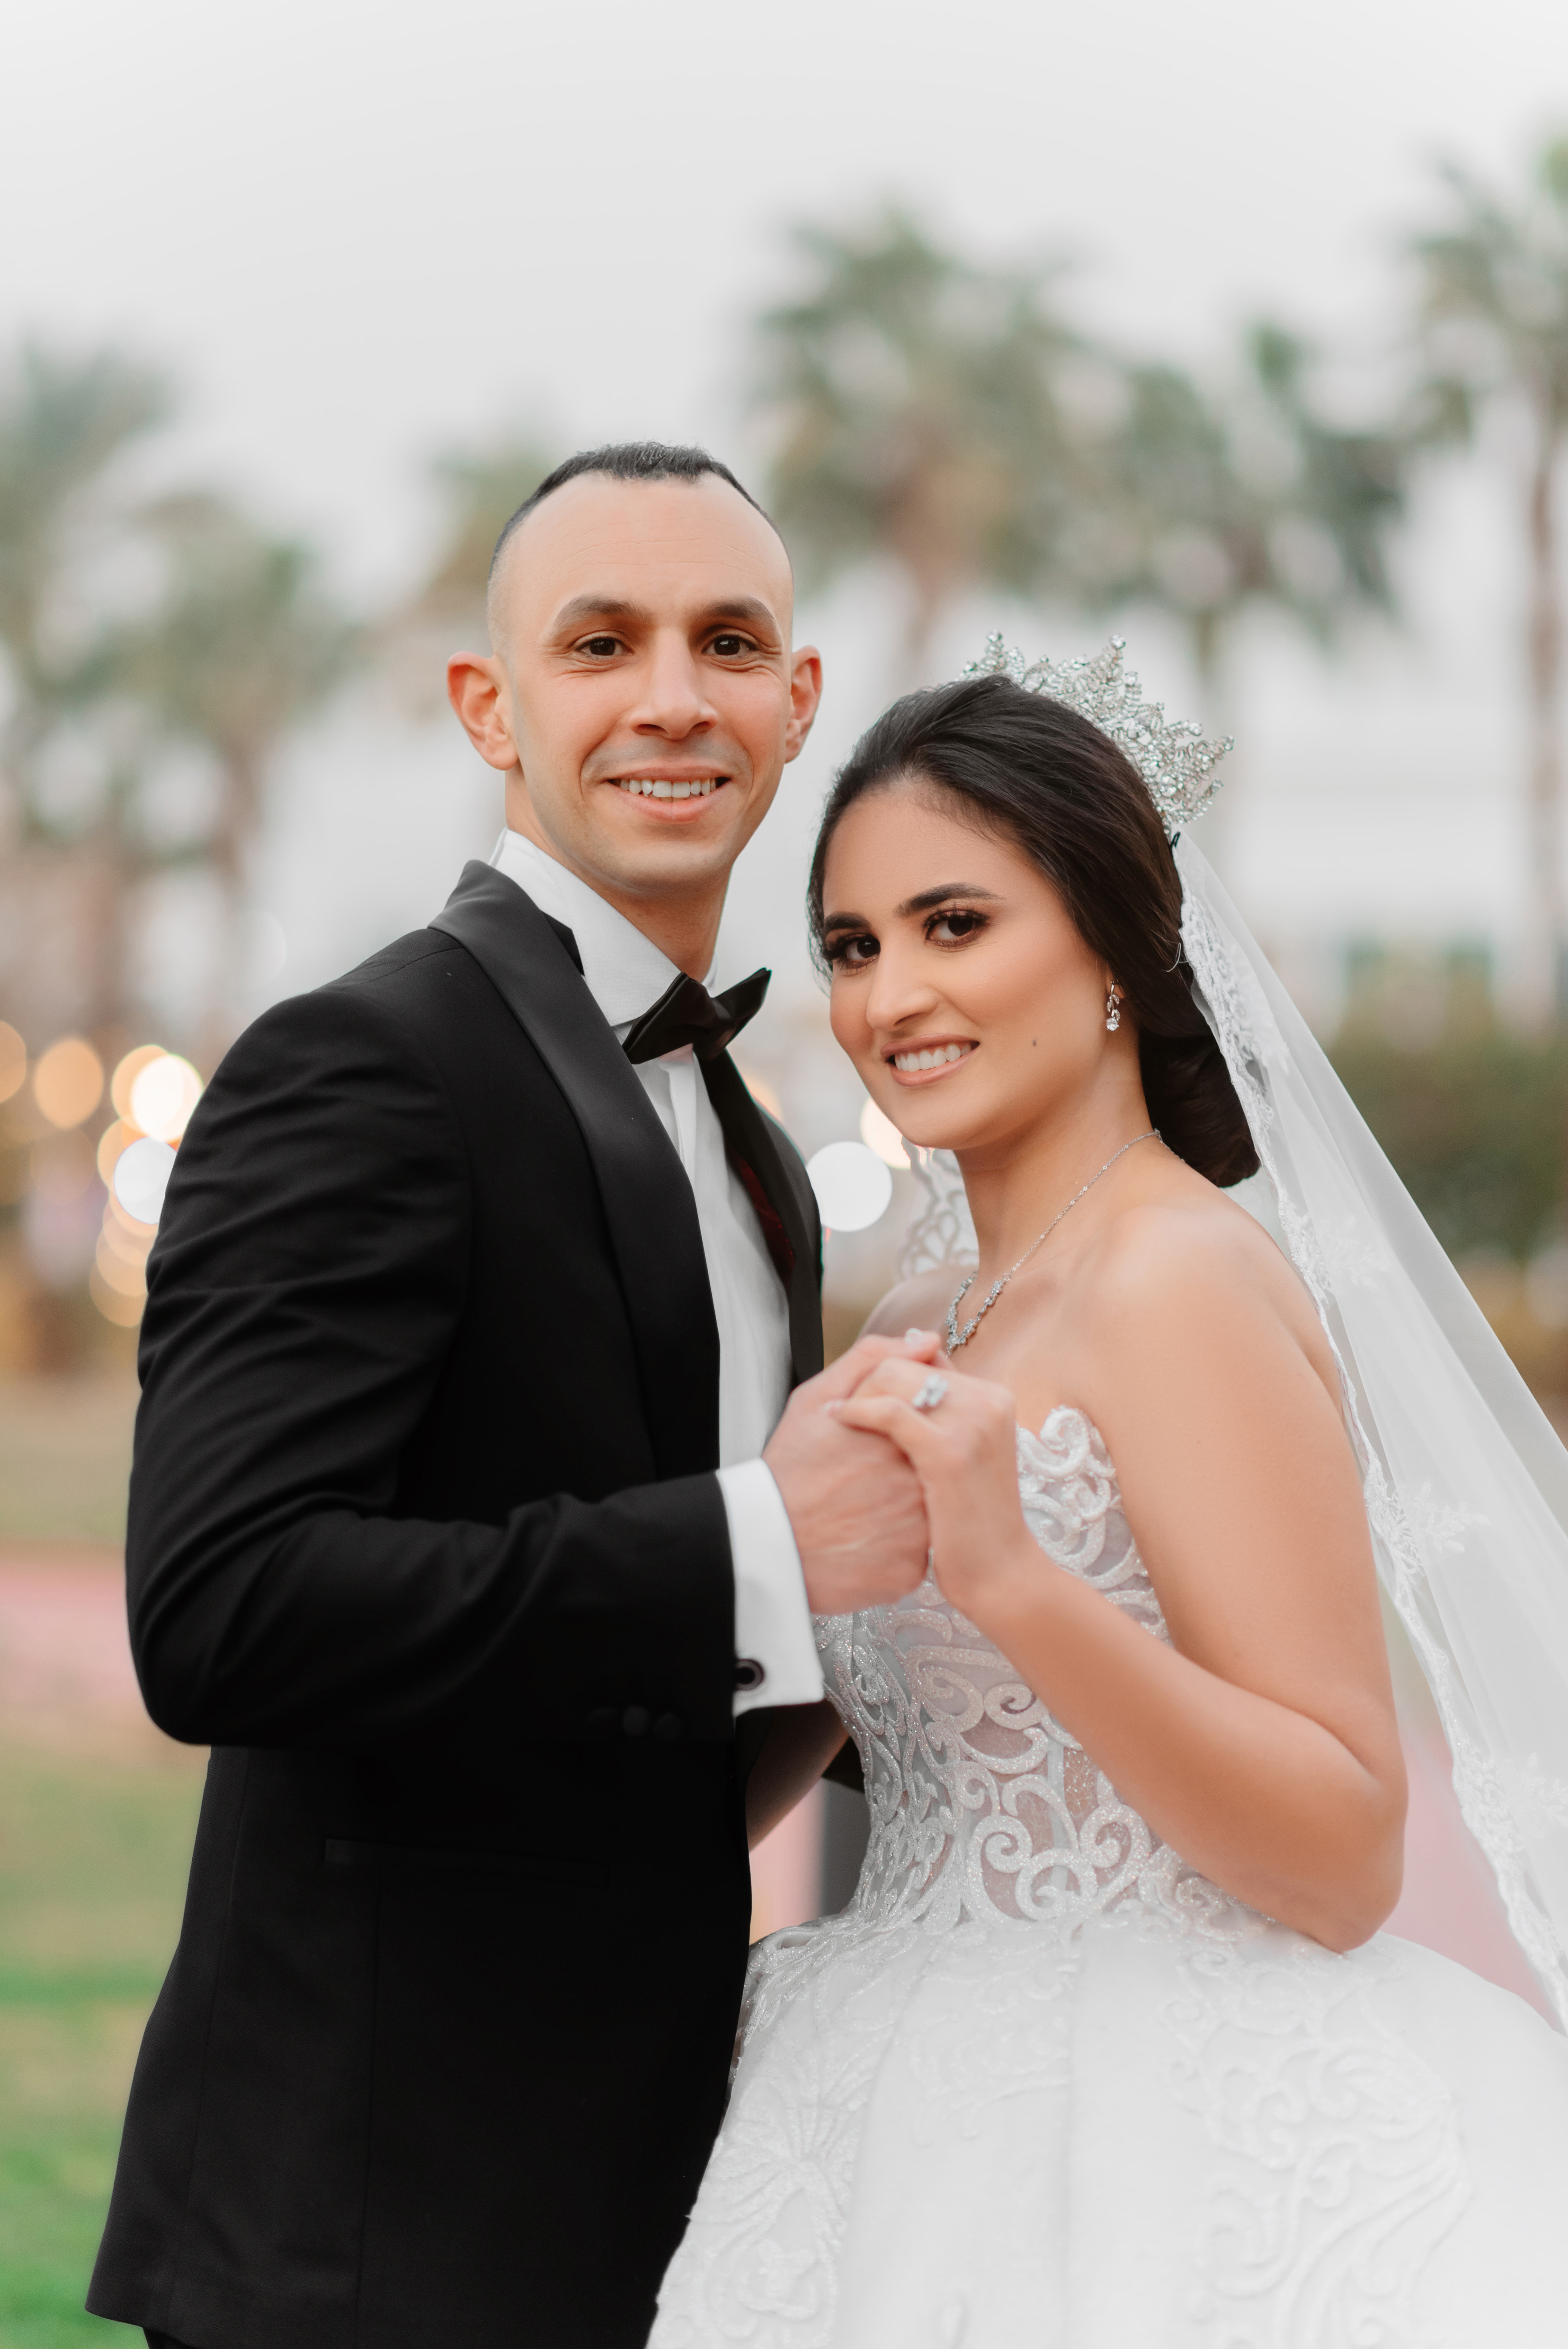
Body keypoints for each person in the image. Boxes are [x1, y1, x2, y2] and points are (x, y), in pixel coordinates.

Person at [87, 443, 931, 2349]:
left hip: (659, 2185)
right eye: (599, 640)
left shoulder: (763, 1162)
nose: (670, 695)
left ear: (799, 702)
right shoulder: (363, 1061)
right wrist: (758, 1543)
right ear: (492, 706)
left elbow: (672, 1673)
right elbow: (225, 1610)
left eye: (729, 641)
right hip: (367, 2225)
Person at [653, 648, 1568, 2347]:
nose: (887, 997)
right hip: (885, 2090)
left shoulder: (1181, 1280)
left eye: (954, 924)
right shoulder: (924, 1314)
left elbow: (1347, 1843)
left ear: (1108, 959)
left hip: (1164, 2114)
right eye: (853, 946)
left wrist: (1015, 1576)